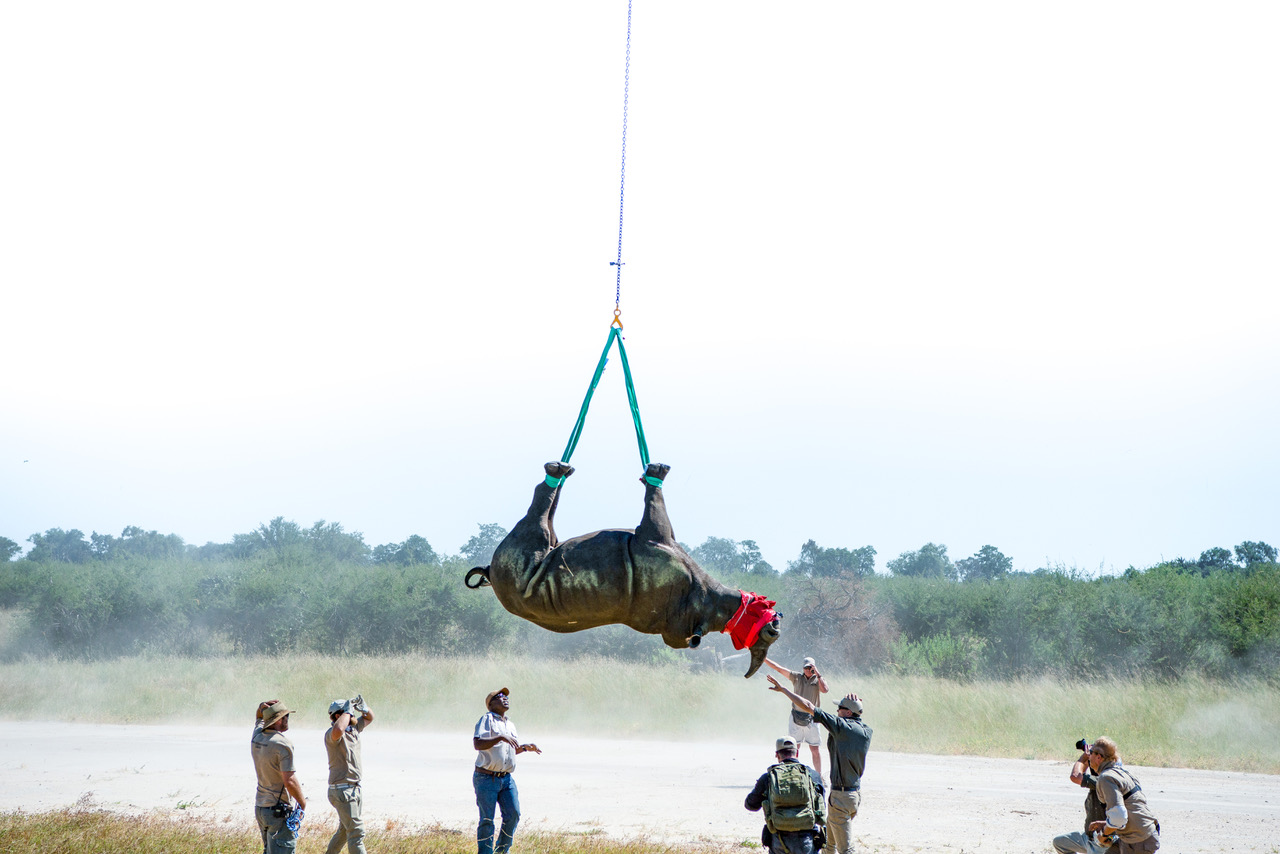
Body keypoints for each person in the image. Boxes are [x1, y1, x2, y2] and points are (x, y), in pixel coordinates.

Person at [767, 675, 871, 854]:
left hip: (841, 797)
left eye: (840, 708)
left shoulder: (842, 727)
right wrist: (857, 706)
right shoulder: (866, 731)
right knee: (828, 845)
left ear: (847, 713)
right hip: (853, 796)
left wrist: (784, 690)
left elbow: (808, 706)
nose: (837, 711)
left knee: (846, 849)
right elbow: (854, 717)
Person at [473, 687, 541, 854]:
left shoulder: (510, 724)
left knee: (513, 814)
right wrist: (501, 737)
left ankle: (502, 850)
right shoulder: (486, 719)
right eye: (500, 696)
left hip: (506, 778)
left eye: (506, 696)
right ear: (491, 703)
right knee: (487, 820)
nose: (505, 698)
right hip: (486, 778)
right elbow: (478, 744)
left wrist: (524, 748)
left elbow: (509, 749)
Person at [745, 735, 827, 854]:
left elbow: (750, 805)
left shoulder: (769, 777)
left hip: (779, 840)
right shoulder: (812, 775)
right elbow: (820, 805)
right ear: (797, 753)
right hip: (806, 839)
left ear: (777, 755)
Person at [1083, 737, 1160, 854]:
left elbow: (1119, 816)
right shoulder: (1123, 772)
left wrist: (1104, 834)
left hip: (1138, 841)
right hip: (1141, 836)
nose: (1089, 756)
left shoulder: (1106, 778)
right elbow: (1131, 808)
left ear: (1099, 757)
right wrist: (1106, 824)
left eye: (1091, 753)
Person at [251, 699, 307, 854]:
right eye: (286, 717)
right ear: (278, 720)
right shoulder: (282, 744)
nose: (287, 720)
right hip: (278, 811)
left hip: (261, 807)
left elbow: (258, 719)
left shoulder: (257, 737)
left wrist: (261, 706)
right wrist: (302, 804)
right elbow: (289, 780)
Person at [324, 694, 375, 854]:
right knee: (356, 832)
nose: (353, 716)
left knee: (344, 832)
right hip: (343, 790)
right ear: (339, 716)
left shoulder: (352, 730)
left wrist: (364, 708)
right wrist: (347, 712)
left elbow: (369, 718)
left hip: (352, 789)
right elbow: (338, 729)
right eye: (349, 713)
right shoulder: (332, 734)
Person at [763, 656, 829, 776]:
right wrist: (764, 658)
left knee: (815, 749)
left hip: (812, 718)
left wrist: (818, 673)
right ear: (803, 668)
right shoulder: (797, 677)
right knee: (794, 747)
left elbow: (825, 690)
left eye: (810, 667)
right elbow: (779, 668)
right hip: (796, 717)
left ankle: (819, 776)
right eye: (806, 667)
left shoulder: (817, 680)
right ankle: (792, 774)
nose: (808, 670)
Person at [1052, 739, 1109, 854]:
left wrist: (1084, 758)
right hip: (1089, 838)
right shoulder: (1101, 777)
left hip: (1103, 841)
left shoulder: (1105, 780)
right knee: (1060, 843)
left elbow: (1076, 776)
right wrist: (1091, 758)